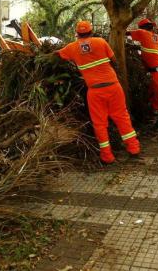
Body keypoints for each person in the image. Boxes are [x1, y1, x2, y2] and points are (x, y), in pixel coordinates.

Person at [56, 21, 140, 164]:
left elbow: (57, 55)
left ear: (77, 34)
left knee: (100, 123)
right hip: (113, 86)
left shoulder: (72, 47)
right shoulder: (101, 42)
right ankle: (133, 149)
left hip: (95, 91)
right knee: (122, 117)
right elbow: (114, 60)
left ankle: (107, 156)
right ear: (91, 31)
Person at [126, 18, 158, 126]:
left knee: (157, 95)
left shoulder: (141, 33)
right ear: (151, 27)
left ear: (141, 28)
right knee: (156, 94)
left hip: (156, 71)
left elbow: (125, 33)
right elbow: (148, 48)